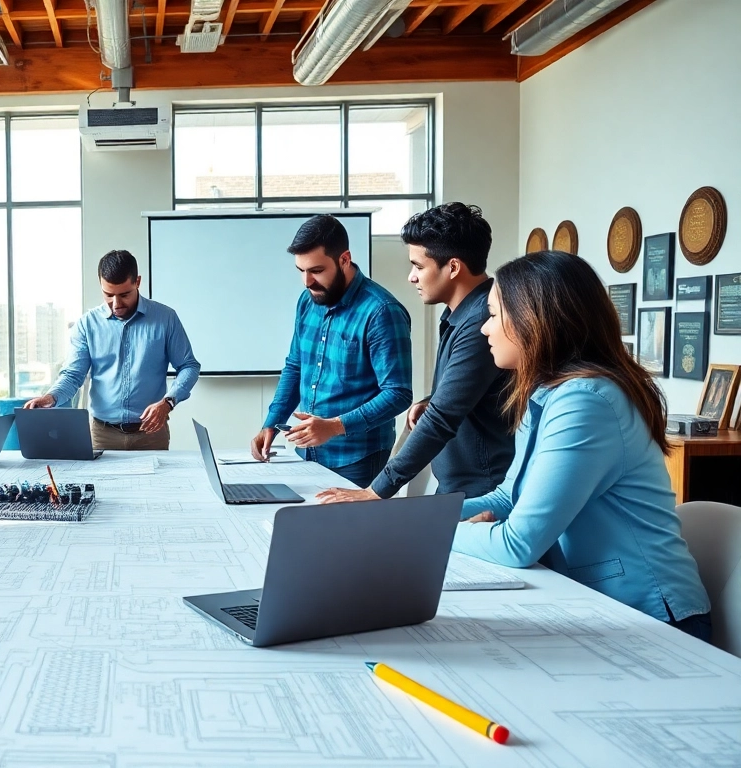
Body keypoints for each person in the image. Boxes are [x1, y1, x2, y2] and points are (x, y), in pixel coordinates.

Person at [454, 251, 711, 641]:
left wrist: (424, 533)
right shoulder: (545, 393)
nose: (484, 329)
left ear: (533, 318)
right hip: (595, 604)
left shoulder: (586, 401)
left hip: (654, 618)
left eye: (493, 314)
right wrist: (413, 516)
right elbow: (509, 497)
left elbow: (517, 543)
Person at [320, 203, 513, 503]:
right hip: (457, 486)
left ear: (453, 267)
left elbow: (442, 419)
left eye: (419, 266)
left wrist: (376, 490)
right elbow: (464, 391)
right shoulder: (458, 315)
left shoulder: (479, 323)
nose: (412, 277)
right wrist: (430, 400)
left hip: (481, 492)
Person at [250, 214, 412, 488]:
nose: (306, 281)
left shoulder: (382, 312)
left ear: (344, 259)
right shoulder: (307, 301)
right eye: (300, 270)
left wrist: (334, 426)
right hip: (308, 453)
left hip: (358, 459)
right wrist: (272, 423)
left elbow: (398, 393)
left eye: (315, 270)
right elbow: (295, 366)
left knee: (352, 532)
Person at [24, 250, 201, 451]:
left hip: (151, 434)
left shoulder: (165, 318)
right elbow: (73, 375)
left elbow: (188, 366)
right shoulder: (87, 324)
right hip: (102, 435)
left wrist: (168, 402)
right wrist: (50, 397)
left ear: (138, 282)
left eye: (124, 295)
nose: (116, 304)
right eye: (108, 295)